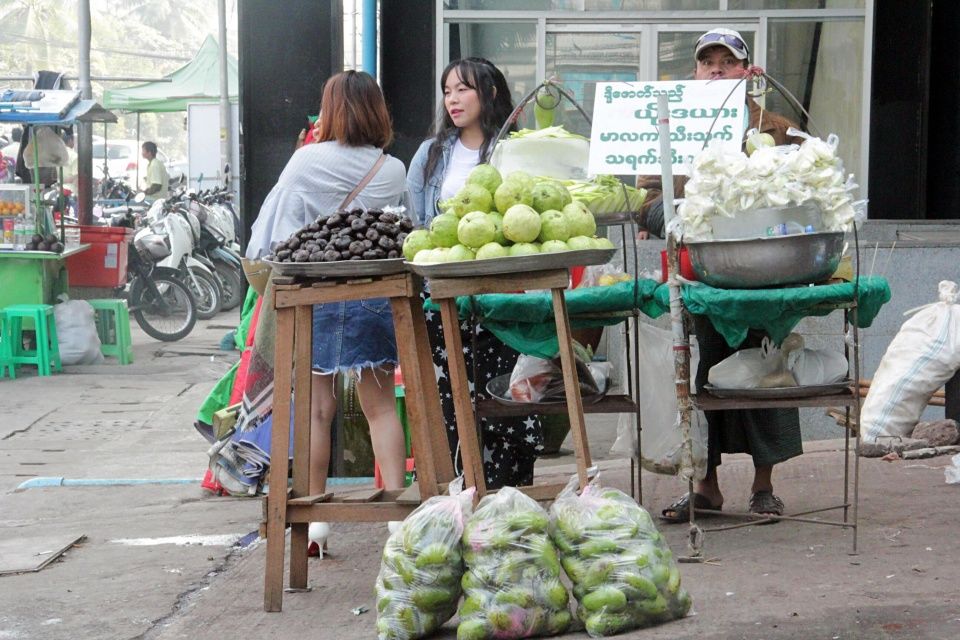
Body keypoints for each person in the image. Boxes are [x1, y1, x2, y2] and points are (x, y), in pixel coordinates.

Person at [246, 71, 409, 553]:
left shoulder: (305, 162)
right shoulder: (391, 168)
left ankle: (313, 523)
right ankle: (398, 518)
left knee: (316, 412)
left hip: (312, 298)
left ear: (331, 109)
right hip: (373, 297)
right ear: (377, 111)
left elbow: (275, 234)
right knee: (380, 410)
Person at [649, 29, 806, 523]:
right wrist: (686, 214)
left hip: (765, 276)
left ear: (746, 72)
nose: (716, 69)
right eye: (706, 62)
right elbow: (646, 203)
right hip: (701, 276)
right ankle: (706, 486)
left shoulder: (779, 129)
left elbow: (806, 195)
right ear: (695, 74)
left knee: (766, 368)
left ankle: (764, 487)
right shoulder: (670, 136)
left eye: (727, 61)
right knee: (703, 375)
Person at [407, 57, 544, 489]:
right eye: (448, 90)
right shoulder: (430, 156)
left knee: (510, 402)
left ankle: (512, 501)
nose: (453, 99)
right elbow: (417, 226)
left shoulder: (515, 150)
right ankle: (465, 498)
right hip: (445, 299)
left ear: (489, 93)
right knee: (455, 405)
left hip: (505, 300)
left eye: (462, 89)